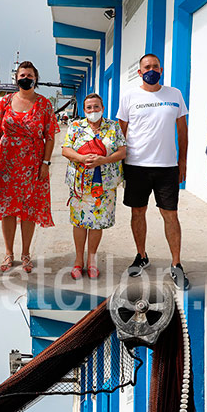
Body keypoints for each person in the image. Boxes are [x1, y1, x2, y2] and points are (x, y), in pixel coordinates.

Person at [118, 53, 190, 289]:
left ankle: (177, 264)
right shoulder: (129, 96)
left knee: (170, 214)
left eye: (155, 66)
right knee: (138, 212)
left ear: (162, 70)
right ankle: (142, 255)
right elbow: (121, 132)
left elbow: (182, 131)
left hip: (167, 167)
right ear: (139, 72)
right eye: (147, 67)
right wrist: (120, 165)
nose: (151, 70)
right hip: (136, 166)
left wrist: (182, 161)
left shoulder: (174, 94)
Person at [0, 61, 59, 273]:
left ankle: (26, 253)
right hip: (7, 162)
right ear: (16, 78)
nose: (25, 77)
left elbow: (50, 136)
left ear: (36, 78)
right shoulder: (5, 102)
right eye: (22, 74)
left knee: (29, 210)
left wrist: (45, 163)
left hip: (33, 163)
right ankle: (9, 253)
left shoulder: (44, 104)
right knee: (7, 209)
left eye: (30, 74)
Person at [62, 92, 126, 280]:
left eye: (96, 107)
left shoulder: (113, 127)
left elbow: (122, 151)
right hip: (80, 184)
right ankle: (78, 260)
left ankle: (92, 261)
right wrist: (81, 158)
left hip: (104, 184)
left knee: (97, 222)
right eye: (89, 107)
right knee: (80, 222)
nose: (93, 110)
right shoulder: (75, 127)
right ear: (84, 110)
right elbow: (66, 149)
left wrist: (104, 160)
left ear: (103, 108)